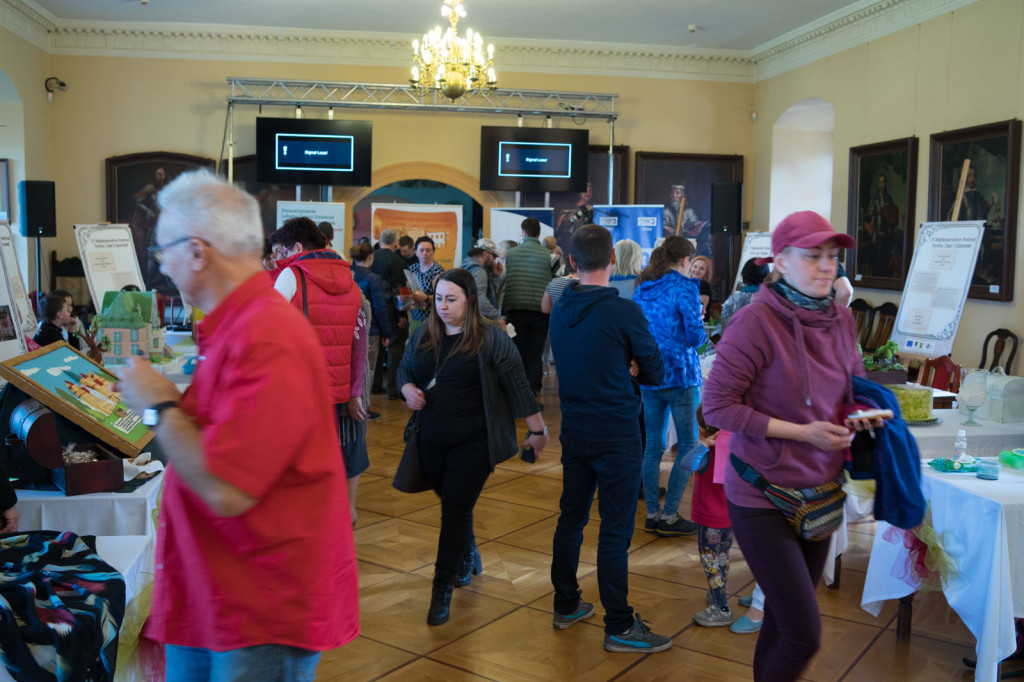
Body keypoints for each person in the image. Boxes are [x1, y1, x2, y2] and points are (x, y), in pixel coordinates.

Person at [115, 170, 358, 678]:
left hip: (260, 605)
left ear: (197, 252)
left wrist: (159, 405)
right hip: (217, 588)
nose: (163, 266)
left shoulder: (266, 335)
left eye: (163, 252)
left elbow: (227, 487)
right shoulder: (237, 325)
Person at [703, 210, 884, 682]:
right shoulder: (754, 322)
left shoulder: (841, 319)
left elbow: (853, 388)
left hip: (822, 491)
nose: (827, 266)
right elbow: (717, 407)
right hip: (761, 493)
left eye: (833, 256)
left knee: (783, 623)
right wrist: (804, 432)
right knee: (803, 634)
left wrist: (859, 417)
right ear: (780, 262)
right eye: (812, 256)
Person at [398, 269, 546, 626]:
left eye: (451, 299)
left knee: (454, 511)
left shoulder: (491, 337)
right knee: (454, 503)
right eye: (438, 299)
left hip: (475, 440)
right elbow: (404, 370)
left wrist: (537, 430)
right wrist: (407, 390)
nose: (443, 306)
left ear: (471, 300)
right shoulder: (423, 334)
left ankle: (442, 587)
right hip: (430, 438)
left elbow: (518, 385)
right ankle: (468, 551)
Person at [549, 224, 672, 653]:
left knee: (571, 518)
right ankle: (619, 624)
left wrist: (626, 362)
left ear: (571, 261)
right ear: (613, 260)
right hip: (617, 432)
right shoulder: (623, 311)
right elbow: (655, 371)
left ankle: (566, 604)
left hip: (575, 429)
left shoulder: (560, 307)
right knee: (615, 531)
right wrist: (631, 364)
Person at [270, 217, 366, 524]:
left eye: (285, 250)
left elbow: (266, 329)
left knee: (299, 461)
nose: (282, 256)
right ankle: (343, 514)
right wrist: (354, 391)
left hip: (300, 389)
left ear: (298, 247)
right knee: (340, 452)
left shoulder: (292, 275)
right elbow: (359, 340)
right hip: (339, 388)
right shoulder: (350, 279)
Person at [632, 236, 706, 536]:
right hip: (680, 374)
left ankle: (652, 514)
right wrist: (699, 321)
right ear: (686, 261)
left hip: (650, 374)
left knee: (652, 446)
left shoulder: (643, 288)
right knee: (688, 445)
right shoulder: (685, 287)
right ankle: (671, 515)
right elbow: (694, 338)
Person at [503, 217, 553, 395]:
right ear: (539, 233)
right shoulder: (549, 255)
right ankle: (533, 390)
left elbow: (505, 280)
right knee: (535, 351)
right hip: (540, 311)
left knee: (517, 350)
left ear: (523, 232)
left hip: (515, 309)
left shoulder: (511, 254)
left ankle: (518, 390)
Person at [351, 242, 393, 421]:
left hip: (351, 329)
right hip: (371, 330)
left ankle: (353, 406)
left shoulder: (348, 274)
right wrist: (387, 332)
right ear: (371, 257)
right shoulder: (373, 278)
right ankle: (364, 409)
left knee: (354, 370)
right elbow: (379, 308)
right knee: (367, 371)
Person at [370, 228, 409, 400]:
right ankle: (393, 389)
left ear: (380, 241)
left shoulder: (371, 257)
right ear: (396, 243)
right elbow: (400, 289)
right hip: (391, 310)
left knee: (376, 347)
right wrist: (402, 314)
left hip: (373, 309)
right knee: (395, 347)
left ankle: (374, 385)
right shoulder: (397, 260)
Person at [711, 258, 769, 343]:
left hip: (737, 346)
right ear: (766, 275)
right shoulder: (771, 300)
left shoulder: (734, 301)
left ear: (744, 274)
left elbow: (719, 330)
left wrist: (713, 345)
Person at [407, 236, 445, 334]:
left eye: (428, 250)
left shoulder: (437, 270)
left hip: (432, 320)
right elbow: (408, 289)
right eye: (421, 250)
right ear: (416, 252)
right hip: (415, 318)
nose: (425, 253)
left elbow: (442, 297)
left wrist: (426, 298)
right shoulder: (413, 268)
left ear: (433, 252)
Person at [462, 245, 503, 322]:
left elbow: (491, 293)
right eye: (493, 256)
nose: (494, 260)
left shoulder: (465, 267)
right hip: (479, 319)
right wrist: (496, 317)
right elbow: (479, 297)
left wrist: (495, 276)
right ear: (485, 254)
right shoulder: (479, 271)